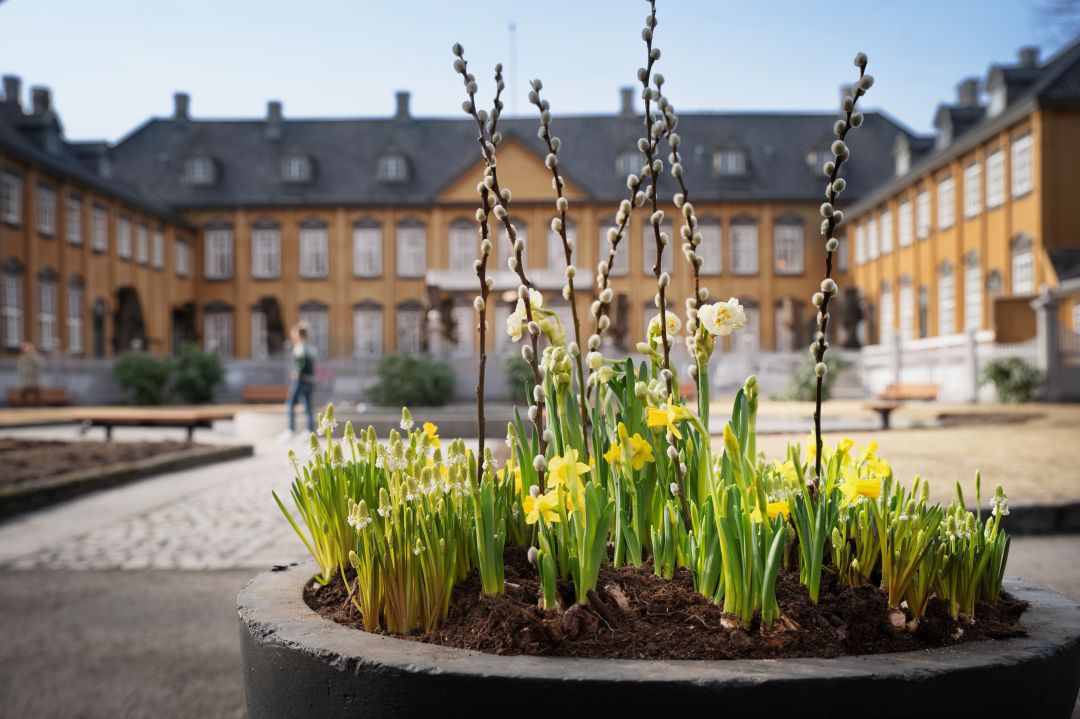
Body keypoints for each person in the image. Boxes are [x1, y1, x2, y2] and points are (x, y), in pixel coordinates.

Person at [280, 323, 316, 440]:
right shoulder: (311, 347)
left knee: (290, 403)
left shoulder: (300, 346)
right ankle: (310, 432)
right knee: (307, 405)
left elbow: (302, 361)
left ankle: (290, 430)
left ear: (299, 334)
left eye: (294, 333)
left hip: (300, 379)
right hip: (310, 380)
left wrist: (297, 372)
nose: (292, 336)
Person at [17, 341, 44, 406]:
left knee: (37, 396)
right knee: (23, 396)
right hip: (26, 381)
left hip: (34, 380)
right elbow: (21, 369)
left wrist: (33, 354)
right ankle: (20, 409)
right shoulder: (22, 358)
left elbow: (41, 365)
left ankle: (40, 409)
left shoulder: (35, 356)